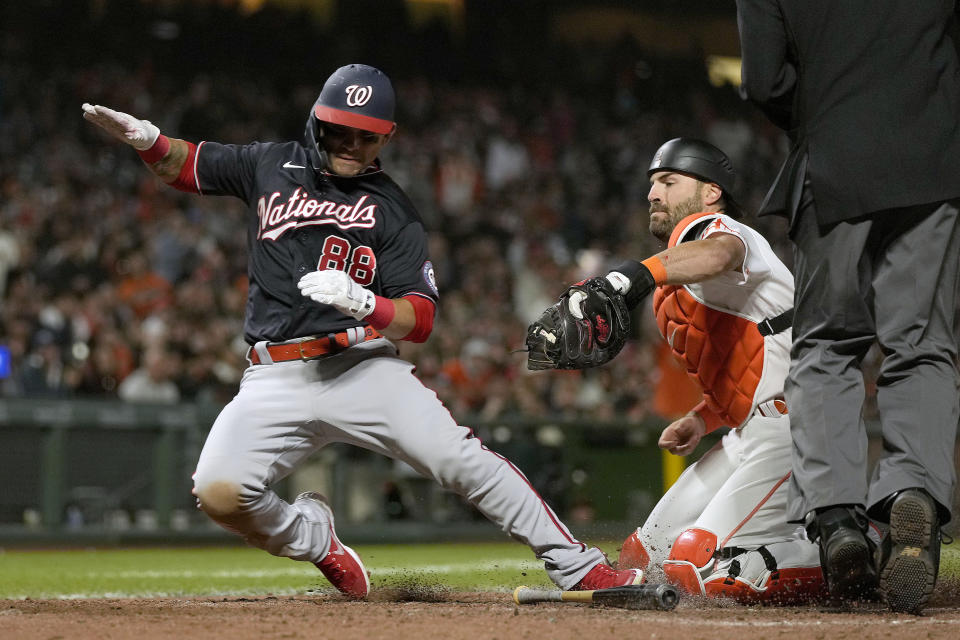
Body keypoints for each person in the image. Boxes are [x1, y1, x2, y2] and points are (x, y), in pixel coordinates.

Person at [81, 63, 641, 599]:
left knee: (459, 460)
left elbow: (420, 320)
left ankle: (578, 566)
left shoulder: (394, 210)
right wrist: (147, 140)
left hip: (362, 368)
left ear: (387, 137)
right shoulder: (271, 163)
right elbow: (186, 164)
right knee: (219, 492)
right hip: (274, 374)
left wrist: (367, 304)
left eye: (366, 137)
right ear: (318, 120)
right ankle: (313, 538)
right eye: (340, 131)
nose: (351, 144)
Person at [736, 0, 960, 613]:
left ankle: (837, 521)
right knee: (923, 344)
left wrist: (827, 111)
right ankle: (913, 491)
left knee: (827, 347)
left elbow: (762, 80)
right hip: (936, 161)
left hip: (834, 159)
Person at [562, 138, 825, 604]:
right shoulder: (679, 288)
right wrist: (702, 418)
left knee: (703, 568)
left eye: (668, 181)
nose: (653, 193)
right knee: (645, 558)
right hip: (748, 432)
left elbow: (720, 253)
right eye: (651, 184)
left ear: (710, 193)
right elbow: (747, 371)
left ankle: (848, 545)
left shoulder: (723, 231)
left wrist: (634, 276)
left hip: (798, 427)